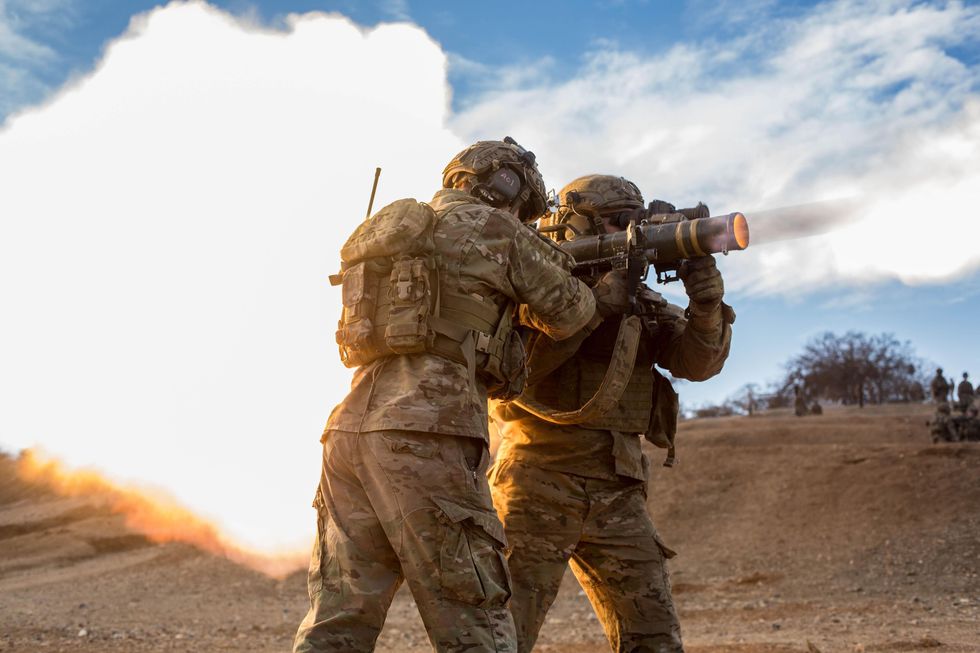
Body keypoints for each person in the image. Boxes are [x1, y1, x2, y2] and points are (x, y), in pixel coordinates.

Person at [293, 139, 599, 653]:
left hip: (348, 430)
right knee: (474, 615)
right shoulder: (497, 228)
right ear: (510, 189)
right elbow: (570, 312)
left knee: (337, 620)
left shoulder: (394, 230)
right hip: (429, 430)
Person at [489, 175, 734, 653]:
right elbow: (515, 373)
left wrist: (706, 306)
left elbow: (697, 364)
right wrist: (592, 309)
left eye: (634, 221)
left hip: (619, 490)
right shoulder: (534, 292)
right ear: (576, 225)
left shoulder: (640, 302)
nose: (631, 230)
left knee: (654, 638)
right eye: (617, 222)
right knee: (502, 637)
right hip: (538, 480)